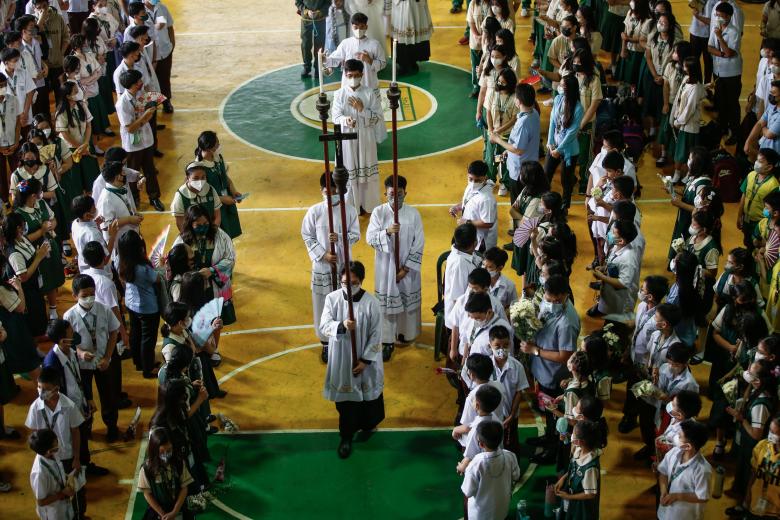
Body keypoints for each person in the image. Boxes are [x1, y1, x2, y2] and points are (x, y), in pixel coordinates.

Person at [320, 261, 384, 459]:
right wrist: (342, 325)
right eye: (345, 282)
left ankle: (367, 425)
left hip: (365, 361)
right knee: (347, 403)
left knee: (368, 401)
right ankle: (346, 436)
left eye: (354, 282)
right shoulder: (332, 299)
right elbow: (324, 326)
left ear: (361, 281)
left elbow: (376, 334)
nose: (349, 287)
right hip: (343, 358)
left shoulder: (371, 303)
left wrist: (365, 360)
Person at [302, 171, 360, 361]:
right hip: (322, 267)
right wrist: (324, 254)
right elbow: (307, 235)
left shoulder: (349, 210)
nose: (331, 193)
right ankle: (326, 342)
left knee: (343, 301)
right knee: (323, 304)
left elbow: (355, 235)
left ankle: (344, 338)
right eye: (328, 191)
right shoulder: (315, 211)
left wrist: (341, 238)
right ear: (322, 190)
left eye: (334, 190)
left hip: (343, 266)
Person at [366, 175, 424, 361]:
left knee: (406, 300)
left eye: (399, 194)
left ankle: (405, 333)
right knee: (387, 306)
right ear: (385, 194)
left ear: (405, 193)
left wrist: (405, 269)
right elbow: (370, 238)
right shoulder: (378, 213)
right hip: (386, 269)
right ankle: (387, 340)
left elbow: (419, 242)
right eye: (391, 194)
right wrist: (387, 232)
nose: (395, 197)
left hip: (407, 270)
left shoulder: (413, 214)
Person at [520, 275, 579, 454]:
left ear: (564, 296)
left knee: (556, 413)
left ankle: (553, 448)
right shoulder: (551, 303)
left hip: (554, 375)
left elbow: (564, 355)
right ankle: (548, 436)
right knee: (547, 409)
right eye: (547, 297)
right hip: (543, 370)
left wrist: (535, 350)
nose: (549, 302)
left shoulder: (567, 322)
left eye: (554, 300)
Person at [63, 274, 120, 441]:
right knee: (84, 398)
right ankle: (86, 427)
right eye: (84, 296)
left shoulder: (103, 309)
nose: (89, 298)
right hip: (82, 365)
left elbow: (113, 331)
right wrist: (80, 352)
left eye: (92, 294)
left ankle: (111, 426)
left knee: (108, 396)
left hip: (103, 362)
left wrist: (108, 357)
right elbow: (67, 342)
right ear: (74, 296)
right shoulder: (69, 316)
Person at [25, 367, 86, 518]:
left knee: (75, 490)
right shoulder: (35, 408)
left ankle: (79, 514)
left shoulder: (69, 406)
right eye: (39, 387)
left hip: (66, 456)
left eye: (45, 389)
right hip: (48, 457)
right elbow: (33, 434)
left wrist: (77, 458)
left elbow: (75, 432)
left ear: (56, 389)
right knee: (56, 490)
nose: (40, 392)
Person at [331, 59, 384, 214]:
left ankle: (368, 204)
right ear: (345, 75)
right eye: (349, 75)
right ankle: (351, 206)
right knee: (349, 170)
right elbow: (335, 117)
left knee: (366, 170)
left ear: (362, 74)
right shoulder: (339, 94)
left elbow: (377, 118)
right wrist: (346, 120)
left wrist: (362, 110)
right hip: (347, 137)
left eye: (356, 75)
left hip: (366, 137)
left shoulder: (369, 93)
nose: (353, 78)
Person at [173, 204, 237, 329]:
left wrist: (212, 270)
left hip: (213, 290)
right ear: (190, 224)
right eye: (198, 225)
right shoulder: (182, 240)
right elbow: (175, 263)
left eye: (206, 223)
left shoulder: (220, 235)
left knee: (216, 322)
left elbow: (230, 258)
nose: (203, 228)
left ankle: (214, 348)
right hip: (193, 291)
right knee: (194, 324)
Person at [619, 275, 669, 434]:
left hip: (646, 365)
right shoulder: (641, 306)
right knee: (631, 389)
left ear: (650, 297)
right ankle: (630, 416)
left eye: (642, 290)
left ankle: (641, 419)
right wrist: (628, 350)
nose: (639, 291)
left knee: (643, 395)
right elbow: (636, 329)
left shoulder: (659, 320)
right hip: (635, 357)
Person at [115, 69, 163, 211]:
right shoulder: (122, 104)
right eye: (138, 82)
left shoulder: (141, 95)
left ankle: (154, 197)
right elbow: (130, 128)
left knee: (150, 170)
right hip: (132, 144)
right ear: (132, 85)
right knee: (132, 173)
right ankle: (135, 198)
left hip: (146, 140)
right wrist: (145, 116)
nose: (141, 83)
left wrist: (150, 112)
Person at [118, 229, 160, 379]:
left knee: (135, 333)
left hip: (131, 303)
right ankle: (148, 368)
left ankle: (138, 362)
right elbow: (158, 279)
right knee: (148, 338)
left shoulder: (121, 262)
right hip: (147, 307)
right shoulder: (143, 268)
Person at [489, 83, 541, 203]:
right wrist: (508, 151)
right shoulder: (534, 114)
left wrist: (497, 139)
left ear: (518, 102)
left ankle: (517, 222)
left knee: (517, 205)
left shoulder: (523, 123)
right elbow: (523, 143)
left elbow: (518, 150)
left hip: (519, 172)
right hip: (529, 166)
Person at [461, 420, 521, 520]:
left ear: (480, 444)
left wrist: (465, 469)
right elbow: (516, 476)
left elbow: (468, 491)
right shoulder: (510, 456)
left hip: (480, 515)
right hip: (502, 512)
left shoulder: (476, 463)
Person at [4, 210, 49, 337]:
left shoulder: (22, 239)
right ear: (19, 228)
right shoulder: (14, 253)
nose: (25, 227)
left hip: (35, 286)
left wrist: (39, 253)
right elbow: (22, 277)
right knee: (33, 320)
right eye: (24, 225)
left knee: (40, 312)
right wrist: (39, 257)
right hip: (27, 291)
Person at [657, 419, 712, 520]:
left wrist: (677, 496)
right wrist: (663, 491)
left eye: (679, 437)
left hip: (684, 515)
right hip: (665, 512)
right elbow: (663, 472)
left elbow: (702, 497)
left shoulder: (702, 470)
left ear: (687, 446)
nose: (676, 438)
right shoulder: (674, 452)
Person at [588, 219, 641, 321]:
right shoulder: (617, 246)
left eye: (613, 233)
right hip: (611, 295)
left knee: (614, 324)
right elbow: (614, 264)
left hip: (620, 301)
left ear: (621, 240)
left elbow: (623, 283)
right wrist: (604, 268)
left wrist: (601, 277)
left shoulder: (628, 259)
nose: (610, 234)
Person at [194, 131, 242, 239]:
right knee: (218, 238)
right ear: (209, 147)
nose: (219, 146)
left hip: (227, 202)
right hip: (214, 209)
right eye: (217, 144)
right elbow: (201, 195)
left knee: (228, 236)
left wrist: (233, 191)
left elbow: (225, 177)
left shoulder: (217, 157)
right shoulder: (199, 168)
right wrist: (222, 199)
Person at [323, 11, 387, 94]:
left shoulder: (374, 44)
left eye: (362, 27)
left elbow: (383, 63)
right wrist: (324, 59)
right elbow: (335, 59)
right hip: (349, 84)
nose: (358, 30)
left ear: (366, 27)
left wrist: (369, 60)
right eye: (356, 27)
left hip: (368, 83)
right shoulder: (346, 43)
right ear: (352, 27)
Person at [545, 74, 584, 210]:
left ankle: (564, 206)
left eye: (562, 86)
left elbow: (571, 133)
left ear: (570, 89)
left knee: (565, 181)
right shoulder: (557, 99)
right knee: (546, 174)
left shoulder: (578, 108)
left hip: (569, 150)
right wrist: (550, 143)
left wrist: (559, 150)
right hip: (554, 146)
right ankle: (545, 202)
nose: (559, 87)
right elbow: (552, 123)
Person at [138, 426, 194, 519]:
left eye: (169, 450)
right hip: (158, 511)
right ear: (154, 450)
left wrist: (174, 512)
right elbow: (147, 494)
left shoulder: (178, 463)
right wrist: (162, 514)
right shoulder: (147, 469)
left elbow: (184, 488)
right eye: (161, 452)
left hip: (178, 508)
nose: (166, 455)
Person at [95, 161, 143, 267]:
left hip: (131, 239)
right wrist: (129, 219)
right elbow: (107, 226)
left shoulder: (120, 189)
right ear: (118, 177)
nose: (125, 174)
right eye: (123, 172)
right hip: (121, 248)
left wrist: (135, 214)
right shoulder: (106, 199)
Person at [707, 1, 742, 145]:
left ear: (728, 17)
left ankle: (735, 132)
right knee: (720, 102)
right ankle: (722, 128)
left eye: (720, 16)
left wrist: (720, 37)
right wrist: (721, 54)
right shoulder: (716, 28)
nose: (717, 18)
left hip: (731, 73)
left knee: (732, 104)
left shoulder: (734, 32)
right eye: (716, 15)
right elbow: (709, 47)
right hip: (718, 71)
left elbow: (730, 52)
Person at [554, 419, 602, 519]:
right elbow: (573, 468)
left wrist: (568, 497)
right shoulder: (578, 449)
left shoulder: (590, 468)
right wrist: (563, 478)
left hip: (582, 508)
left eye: (573, 434)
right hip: (573, 500)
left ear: (580, 441)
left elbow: (590, 494)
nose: (571, 436)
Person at [449, 160, 498, 252]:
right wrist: (457, 207)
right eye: (471, 179)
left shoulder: (486, 199)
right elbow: (468, 201)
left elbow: (488, 223)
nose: (473, 183)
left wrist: (467, 222)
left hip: (480, 242)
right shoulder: (471, 187)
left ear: (485, 177)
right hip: (470, 235)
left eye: (477, 180)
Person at [455, 385, 503, 475]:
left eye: (473, 400)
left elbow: (469, 456)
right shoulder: (497, 422)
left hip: (481, 469)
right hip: (497, 462)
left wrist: (461, 467)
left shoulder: (476, 430)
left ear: (477, 405)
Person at [28, 428, 76, 520]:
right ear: (48, 451)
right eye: (56, 447)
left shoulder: (52, 454)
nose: (58, 446)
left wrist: (66, 477)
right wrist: (63, 493)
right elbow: (41, 502)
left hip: (63, 507)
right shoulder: (39, 474)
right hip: (54, 513)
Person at [738, 148, 780, 248]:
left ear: (769, 167)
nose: (756, 163)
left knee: (757, 245)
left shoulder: (773, 185)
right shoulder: (751, 175)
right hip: (746, 219)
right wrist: (739, 215)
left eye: (760, 161)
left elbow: (774, 207)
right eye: (757, 160)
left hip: (760, 222)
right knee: (747, 242)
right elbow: (744, 195)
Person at [739, 415, 780, 518]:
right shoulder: (762, 446)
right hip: (756, 500)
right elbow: (753, 473)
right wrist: (748, 493)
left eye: (775, 433)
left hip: (775, 510)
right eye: (770, 431)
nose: (771, 435)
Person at [70, 195, 117, 276]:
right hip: (100, 273)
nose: (96, 209)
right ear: (87, 215)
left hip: (85, 270)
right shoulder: (93, 234)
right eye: (94, 208)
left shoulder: (75, 223)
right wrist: (112, 236)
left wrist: (96, 225)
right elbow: (104, 260)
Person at [444, 223, 481, 321]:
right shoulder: (459, 265)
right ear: (474, 244)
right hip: (462, 317)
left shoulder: (466, 253)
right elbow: (458, 299)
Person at [170, 162, 222, 232]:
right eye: (196, 178)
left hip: (211, 231)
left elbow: (217, 216)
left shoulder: (211, 190)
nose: (200, 181)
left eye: (203, 177)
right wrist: (190, 237)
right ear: (188, 178)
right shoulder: (180, 195)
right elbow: (180, 222)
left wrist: (213, 232)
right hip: (190, 233)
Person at [144, 0, 175, 113]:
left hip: (165, 50)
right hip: (150, 54)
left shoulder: (162, 8)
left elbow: (170, 27)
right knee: (151, 81)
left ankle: (167, 102)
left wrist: (172, 44)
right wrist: (155, 27)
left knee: (165, 78)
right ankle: (153, 108)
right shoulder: (140, 11)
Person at [390, 0, 433, 75]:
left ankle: (413, 60)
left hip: (416, 5)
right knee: (402, 34)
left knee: (416, 32)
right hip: (402, 5)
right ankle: (403, 63)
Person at [0, 72, 20, 205]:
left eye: (4, 85)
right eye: (0, 85)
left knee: (17, 172)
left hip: (13, 142)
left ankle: (18, 198)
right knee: (1, 175)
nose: (3, 87)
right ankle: (5, 200)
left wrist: (17, 140)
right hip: (0, 144)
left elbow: (18, 122)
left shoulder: (13, 99)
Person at [296, 0, 329, 78]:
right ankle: (307, 67)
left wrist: (320, 12)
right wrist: (306, 11)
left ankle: (318, 68)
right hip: (306, 20)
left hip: (320, 19)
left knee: (319, 45)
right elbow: (298, 2)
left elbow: (328, 3)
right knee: (305, 45)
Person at [483, 247, 517, 312]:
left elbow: (514, 307)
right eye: (483, 264)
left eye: (489, 267)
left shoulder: (509, 286)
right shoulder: (477, 280)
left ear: (499, 268)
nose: (484, 269)